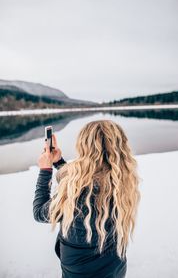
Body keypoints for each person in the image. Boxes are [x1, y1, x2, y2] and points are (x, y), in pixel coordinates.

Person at [33, 119, 141, 278]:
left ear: (84, 146)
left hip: (80, 271)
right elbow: (87, 180)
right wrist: (59, 163)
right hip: (114, 265)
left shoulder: (76, 190)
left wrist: (45, 170)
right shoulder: (122, 178)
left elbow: (39, 213)